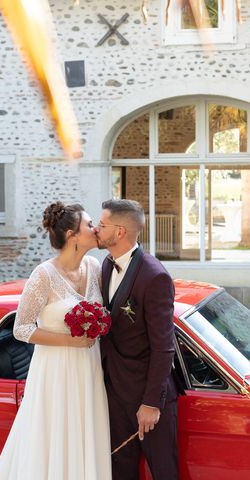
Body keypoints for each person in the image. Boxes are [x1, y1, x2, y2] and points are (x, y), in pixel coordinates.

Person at [0, 202, 112, 480]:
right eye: (89, 224)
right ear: (72, 235)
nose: (95, 229)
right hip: (55, 372)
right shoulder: (43, 275)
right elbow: (21, 328)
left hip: (88, 370)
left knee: (85, 435)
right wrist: (70, 341)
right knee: (53, 437)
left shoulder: (94, 267)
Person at [96, 199, 179, 480]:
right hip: (114, 391)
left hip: (147, 396)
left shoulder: (154, 276)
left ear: (119, 232)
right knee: (120, 469)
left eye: (102, 224)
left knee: (163, 471)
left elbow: (163, 346)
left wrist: (151, 403)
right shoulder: (105, 266)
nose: (96, 228)